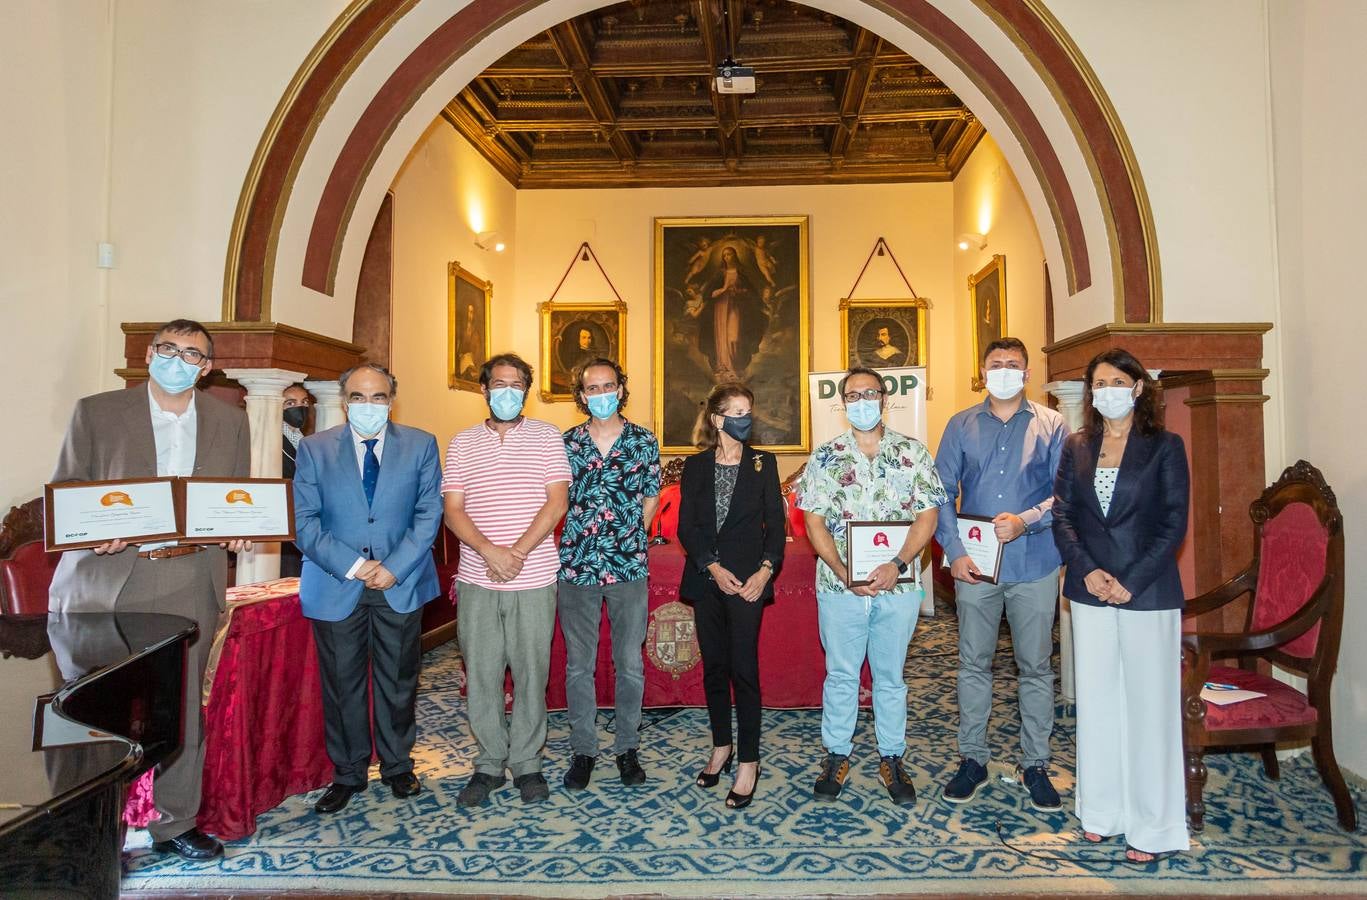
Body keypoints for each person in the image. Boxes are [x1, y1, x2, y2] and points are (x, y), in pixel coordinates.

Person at [47, 318, 250, 860]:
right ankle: (87, 824)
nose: (176, 360)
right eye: (167, 349)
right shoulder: (98, 411)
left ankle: (175, 822)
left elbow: (236, 496)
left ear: (206, 369)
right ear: (148, 354)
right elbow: (68, 489)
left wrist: (238, 527)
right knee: (94, 706)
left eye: (191, 354)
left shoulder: (230, 421)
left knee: (180, 706)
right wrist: (94, 528)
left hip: (189, 576)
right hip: (108, 579)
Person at [1052, 348, 1190, 863]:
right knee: (1099, 703)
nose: (1105, 389)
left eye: (1115, 380)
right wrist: (1088, 570)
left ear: (1137, 387)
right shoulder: (1077, 445)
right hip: (1089, 590)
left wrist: (1128, 581)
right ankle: (1103, 812)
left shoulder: (1165, 446)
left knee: (1149, 710)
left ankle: (1152, 827)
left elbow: (1173, 522)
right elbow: (1062, 515)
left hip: (1147, 593)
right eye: (1097, 382)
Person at [293, 363, 442, 814]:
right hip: (337, 582)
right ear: (344, 401)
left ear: (392, 401)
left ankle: (398, 766)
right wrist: (357, 565)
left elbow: (428, 513)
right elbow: (304, 522)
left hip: (400, 581)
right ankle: (348, 773)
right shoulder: (315, 449)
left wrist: (393, 567)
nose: (368, 406)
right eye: (358, 396)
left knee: (399, 681)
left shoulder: (421, 445)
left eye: (378, 397)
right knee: (342, 684)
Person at [797, 366, 945, 806]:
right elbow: (813, 520)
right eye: (852, 395)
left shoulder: (913, 454)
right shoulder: (825, 456)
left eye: (869, 393)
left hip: (897, 587)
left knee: (890, 677)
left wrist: (898, 564)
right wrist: (844, 571)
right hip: (838, 585)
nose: (861, 401)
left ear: (884, 398)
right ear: (843, 404)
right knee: (840, 674)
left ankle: (892, 757)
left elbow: (927, 516)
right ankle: (837, 754)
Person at [934, 337, 1068, 811]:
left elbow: (1066, 493)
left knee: (1035, 666)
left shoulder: (1053, 425)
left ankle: (1036, 763)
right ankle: (972, 758)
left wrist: (1027, 519)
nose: (1005, 370)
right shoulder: (960, 424)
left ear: (1027, 374)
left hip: (1035, 564)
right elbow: (940, 492)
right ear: (983, 372)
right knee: (974, 663)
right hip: (977, 568)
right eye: (996, 364)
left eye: (1014, 365)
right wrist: (953, 552)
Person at [442, 353, 570, 806]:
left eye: (518, 385)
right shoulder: (461, 443)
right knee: (482, 674)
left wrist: (515, 553)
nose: (508, 392)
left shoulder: (547, 437)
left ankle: (528, 763)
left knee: (532, 673)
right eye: (500, 384)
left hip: (533, 577)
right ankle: (489, 762)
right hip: (478, 578)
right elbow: (453, 510)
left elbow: (556, 503)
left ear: (526, 393)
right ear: (484, 389)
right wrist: (490, 552)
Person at [676, 382, 785, 810]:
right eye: (736, 411)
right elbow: (687, 526)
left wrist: (766, 569)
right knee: (715, 668)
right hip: (708, 580)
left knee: (744, 669)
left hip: (750, 582)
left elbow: (775, 527)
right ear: (718, 418)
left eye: (748, 411)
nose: (745, 418)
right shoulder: (696, 465)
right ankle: (721, 746)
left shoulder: (763, 463)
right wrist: (713, 567)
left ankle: (749, 761)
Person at [557, 358, 662, 790]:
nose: (601, 393)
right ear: (582, 396)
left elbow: (651, 498)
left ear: (621, 387)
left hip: (627, 565)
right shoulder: (566, 443)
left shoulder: (642, 440)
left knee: (629, 664)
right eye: (592, 388)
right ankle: (584, 749)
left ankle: (626, 748)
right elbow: (556, 499)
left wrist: (629, 535)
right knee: (578, 665)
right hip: (577, 565)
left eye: (608, 385)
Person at [280, 382, 313, 577]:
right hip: (284, 519)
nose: (299, 408)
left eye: (304, 402)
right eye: (290, 403)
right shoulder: (271, 438)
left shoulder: (302, 439)